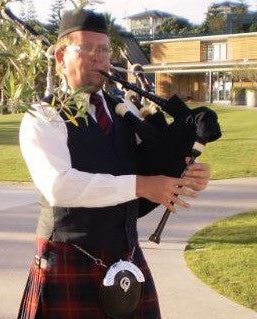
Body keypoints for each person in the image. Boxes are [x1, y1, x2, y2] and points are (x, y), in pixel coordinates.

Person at [17, 9, 210, 319]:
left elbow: (148, 172)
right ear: (61, 57)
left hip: (126, 256)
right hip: (68, 257)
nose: (99, 58)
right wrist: (145, 185)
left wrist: (185, 172)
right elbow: (59, 186)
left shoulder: (123, 112)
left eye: (104, 49)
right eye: (88, 49)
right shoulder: (43, 115)